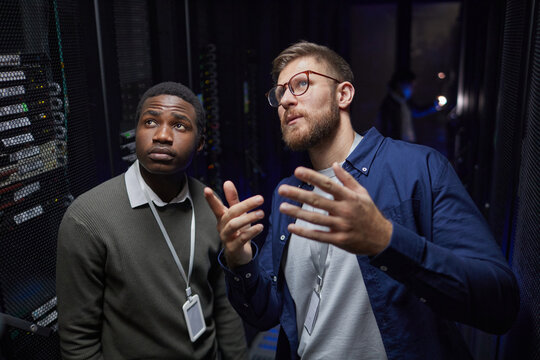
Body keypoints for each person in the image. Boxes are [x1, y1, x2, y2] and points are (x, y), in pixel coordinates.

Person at [204, 41, 519, 359]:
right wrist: (239, 260)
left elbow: (499, 304)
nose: (285, 100)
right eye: (279, 92)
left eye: (301, 84)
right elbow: (266, 314)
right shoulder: (288, 193)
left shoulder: (417, 168)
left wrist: (386, 241)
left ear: (343, 95)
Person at [56, 82, 248, 359]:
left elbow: (223, 305)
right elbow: (78, 340)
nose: (162, 135)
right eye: (150, 122)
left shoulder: (211, 207)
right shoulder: (87, 219)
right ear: (136, 133)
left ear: (200, 143)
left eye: (180, 125)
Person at [378, 70, 440, 142]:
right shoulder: (389, 104)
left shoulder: (406, 101)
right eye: (411, 86)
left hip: (408, 144)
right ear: (401, 84)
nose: (412, 89)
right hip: (398, 146)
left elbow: (417, 111)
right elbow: (385, 129)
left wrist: (434, 106)